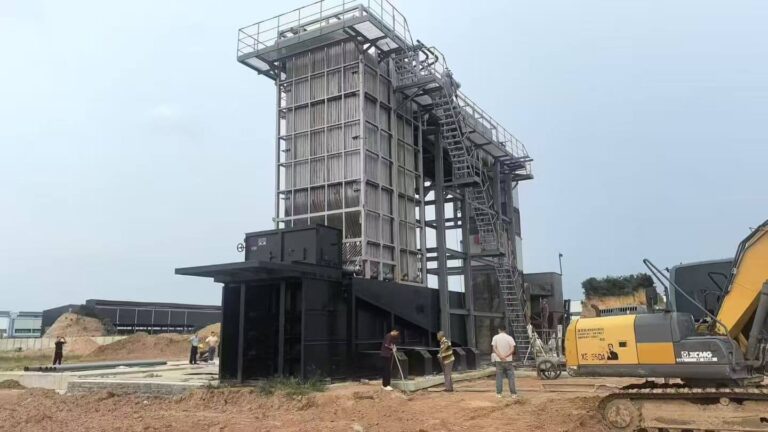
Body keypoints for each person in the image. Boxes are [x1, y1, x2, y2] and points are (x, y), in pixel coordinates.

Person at [492, 326, 517, 398]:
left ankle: (499, 393)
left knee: (499, 377)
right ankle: (513, 394)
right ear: (505, 330)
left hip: (499, 360)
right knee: (511, 377)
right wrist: (505, 356)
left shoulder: (495, 337)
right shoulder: (509, 338)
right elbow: (512, 349)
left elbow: (494, 348)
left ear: (499, 329)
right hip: (508, 360)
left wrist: (501, 356)